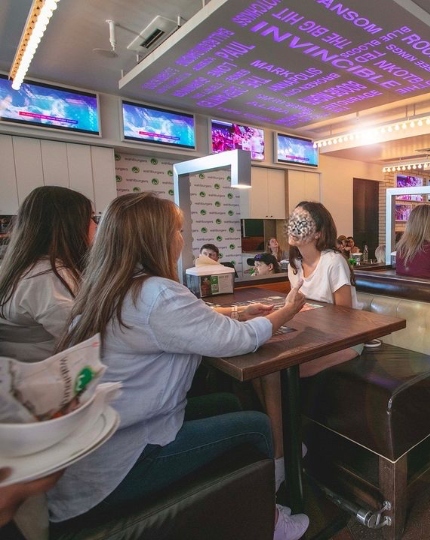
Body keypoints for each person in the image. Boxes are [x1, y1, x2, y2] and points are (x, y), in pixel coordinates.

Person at [48, 192, 309, 540]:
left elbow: (177, 325)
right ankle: (269, 523)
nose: (182, 239)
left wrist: (236, 312)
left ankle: (246, 494)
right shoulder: (158, 294)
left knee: (230, 402)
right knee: (257, 426)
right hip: (121, 466)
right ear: (155, 238)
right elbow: (240, 340)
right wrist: (288, 309)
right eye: (178, 230)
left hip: (88, 460)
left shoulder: (108, 288)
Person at [255, 201, 363, 492]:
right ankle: (287, 447)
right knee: (261, 369)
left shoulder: (333, 261)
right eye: (293, 220)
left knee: (273, 373)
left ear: (318, 232)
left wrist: (303, 316)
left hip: (345, 342)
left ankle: (282, 457)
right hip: (313, 339)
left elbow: (347, 318)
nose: (294, 225)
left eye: (302, 221)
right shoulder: (295, 265)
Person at [0, 186, 96, 363]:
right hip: (45, 379)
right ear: (69, 225)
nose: (95, 226)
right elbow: (84, 336)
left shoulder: (26, 268)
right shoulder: (48, 278)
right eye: (90, 218)